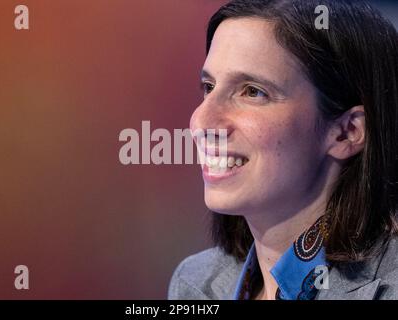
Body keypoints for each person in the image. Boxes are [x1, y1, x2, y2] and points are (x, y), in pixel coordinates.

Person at [168, 0, 398, 300]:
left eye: (253, 91)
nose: (201, 122)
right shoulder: (194, 283)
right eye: (209, 87)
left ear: (347, 132)